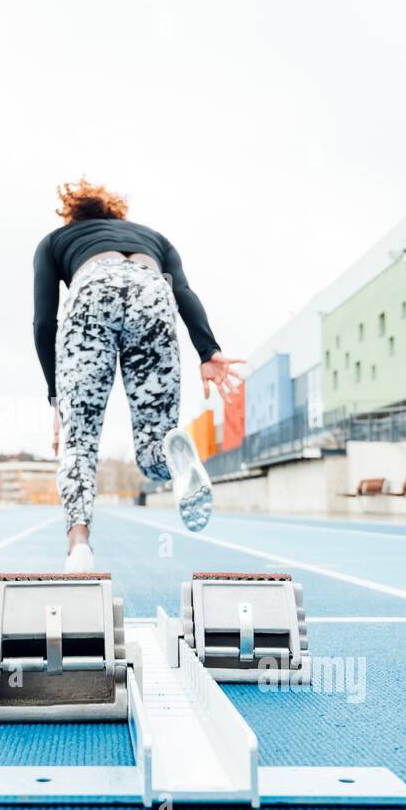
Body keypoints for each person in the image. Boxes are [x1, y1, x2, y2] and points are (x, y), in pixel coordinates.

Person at [33, 178, 242, 572]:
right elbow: (184, 293)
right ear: (115, 215)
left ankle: (79, 546)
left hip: (92, 288)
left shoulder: (56, 241)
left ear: (74, 214)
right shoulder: (155, 238)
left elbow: (44, 322)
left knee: (80, 443)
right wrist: (208, 351)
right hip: (152, 293)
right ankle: (174, 456)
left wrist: (56, 397)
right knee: (152, 452)